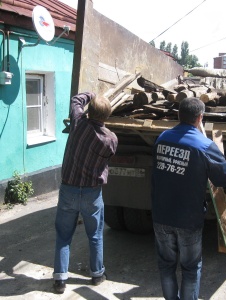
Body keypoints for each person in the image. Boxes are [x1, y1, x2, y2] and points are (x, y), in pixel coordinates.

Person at [151, 97, 226, 300]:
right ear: (200, 118)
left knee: (166, 266)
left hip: (161, 215)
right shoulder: (204, 146)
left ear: (178, 115)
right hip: (188, 219)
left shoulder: (161, 138)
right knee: (190, 268)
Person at [52, 92, 118, 294]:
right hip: (92, 193)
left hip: (69, 189)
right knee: (95, 235)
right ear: (107, 116)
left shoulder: (78, 123)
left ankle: (60, 280)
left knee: (64, 236)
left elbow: (75, 100)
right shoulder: (111, 139)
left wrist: (91, 94)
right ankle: (97, 275)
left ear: (89, 112)